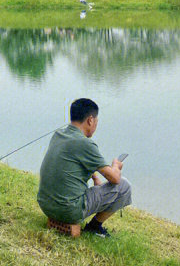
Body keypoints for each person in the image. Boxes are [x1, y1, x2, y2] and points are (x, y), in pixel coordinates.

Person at [37, 98, 130, 238]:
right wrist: (116, 166)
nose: (96, 125)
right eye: (96, 121)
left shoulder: (58, 135)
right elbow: (115, 179)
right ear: (90, 120)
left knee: (103, 185)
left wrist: (95, 179)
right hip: (69, 210)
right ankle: (94, 227)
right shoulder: (85, 144)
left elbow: (74, 162)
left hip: (46, 205)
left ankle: (89, 223)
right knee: (124, 186)